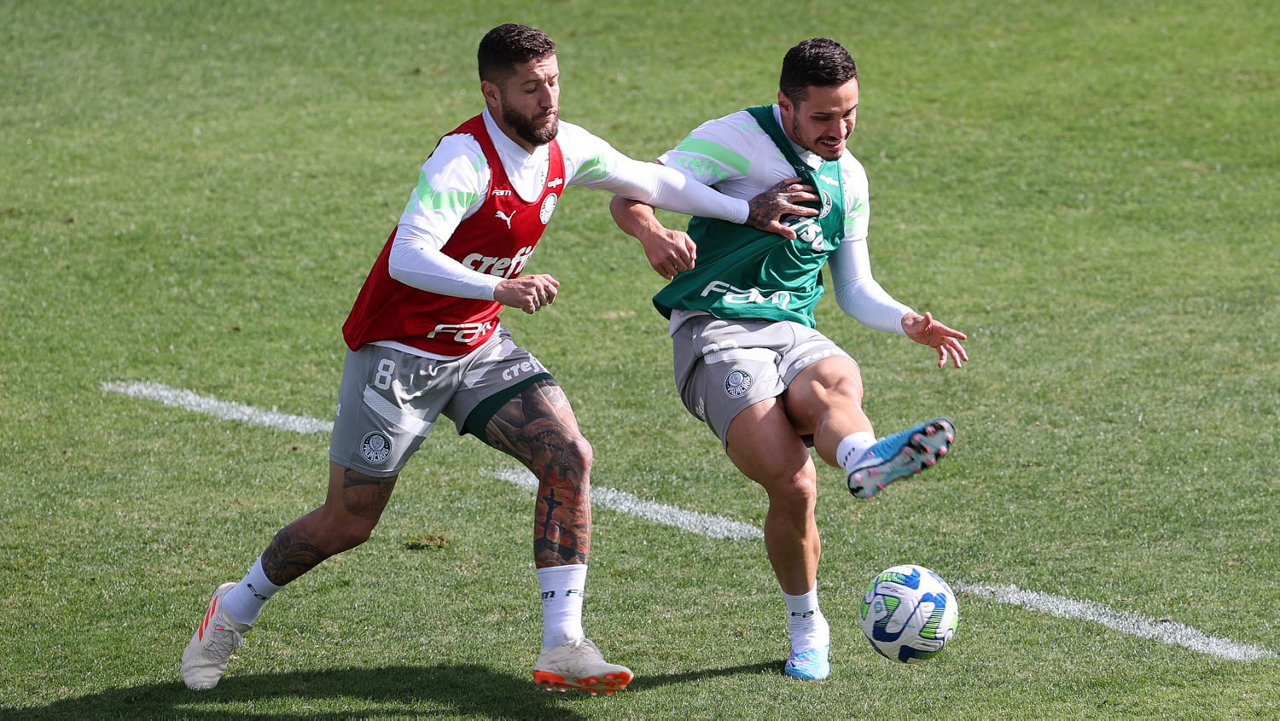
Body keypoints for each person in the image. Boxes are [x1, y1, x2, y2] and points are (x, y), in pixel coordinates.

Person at [181, 23, 814, 695]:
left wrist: (743, 210)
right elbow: (408, 255)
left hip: (478, 344)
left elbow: (653, 180)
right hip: (401, 352)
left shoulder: (565, 146)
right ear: (493, 93)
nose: (549, 98)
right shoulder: (464, 161)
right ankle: (234, 608)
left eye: (554, 81)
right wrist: (499, 289)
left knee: (567, 455)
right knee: (349, 521)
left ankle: (564, 643)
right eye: (530, 88)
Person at [608, 38, 969, 681]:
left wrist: (906, 320)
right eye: (823, 117)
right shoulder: (734, 139)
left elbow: (853, 288)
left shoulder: (849, 176)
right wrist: (653, 233)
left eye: (850, 113)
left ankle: (865, 459)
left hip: (792, 330)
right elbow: (629, 192)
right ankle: (808, 626)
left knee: (836, 378)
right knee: (795, 484)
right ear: (786, 104)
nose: (840, 130)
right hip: (715, 330)